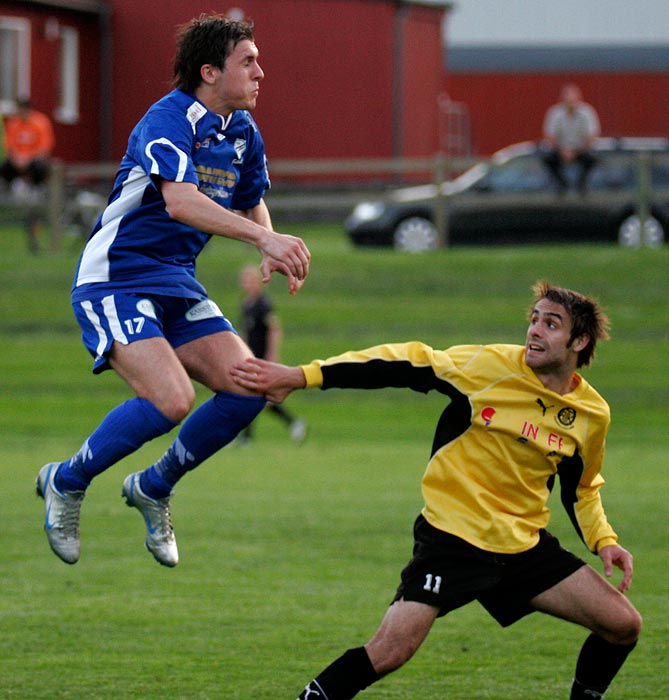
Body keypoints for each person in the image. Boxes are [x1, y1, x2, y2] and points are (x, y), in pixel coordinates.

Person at [231, 281, 642, 700]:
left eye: (551, 324)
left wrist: (603, 540)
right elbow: (402, 362)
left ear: (580, 340)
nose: (535, 330)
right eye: (533, 319)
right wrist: (303, 376)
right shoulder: (487, 366)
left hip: (522, 550)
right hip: (453, 539)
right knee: (390, 651)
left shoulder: (591, 414)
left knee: (623, 625)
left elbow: (581, 490)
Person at [35, 14, 311, 568]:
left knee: (248, 388)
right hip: (115, 274)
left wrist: (269, 241)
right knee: (171, 400)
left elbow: (250, 194)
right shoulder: (168, 120)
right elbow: (181, 201)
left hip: (174, 279)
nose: (262, 71)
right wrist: (266, 237)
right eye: (248, 62)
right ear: (210, 72)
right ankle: (66, 481)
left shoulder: (241, 132)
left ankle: (154, 486)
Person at [237, 264, 307, 444]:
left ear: (258, 282)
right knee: (253, 396)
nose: (245, 283)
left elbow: (274, 330)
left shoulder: (263, 304)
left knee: (255, 396)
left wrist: (272, 354)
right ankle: (292, 424)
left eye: (249, 279)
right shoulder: (246, 305)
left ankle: (292, 424)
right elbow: (245, 332)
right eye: (243, 279)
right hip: (251, 357)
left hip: (262, 357)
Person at [0, 97, 56, 253]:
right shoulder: (14, 123)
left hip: (33, 162)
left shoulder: (40, 122)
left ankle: (37, 191)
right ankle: (7, 195)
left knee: (38, 167)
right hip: (17, 161)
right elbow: (9, 145)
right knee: (4, 168)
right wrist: (17, 157)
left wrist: (28, 158)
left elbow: (45, 147)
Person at [542, 84, 600, 194]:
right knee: (548, 159)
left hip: (581, 150)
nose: (570, 103)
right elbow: (549, 136)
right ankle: (562, 185)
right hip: (560, 150)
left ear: (579, 99)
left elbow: (592, 136)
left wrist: (576, 151)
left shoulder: (587, 113)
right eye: (567, 100)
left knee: (592, 159)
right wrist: (562, 150)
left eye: (573, 100)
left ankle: (581, 185)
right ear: (562, 100)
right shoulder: (555, 113)